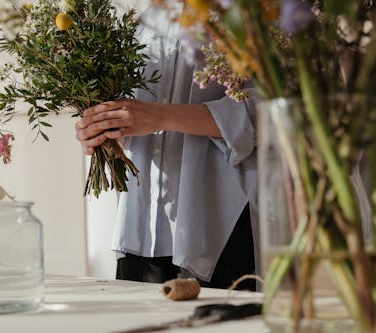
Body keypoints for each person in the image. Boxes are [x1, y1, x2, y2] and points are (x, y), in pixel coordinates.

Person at [75, 3, 259, 290]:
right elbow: (132, 110)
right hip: (140, 224)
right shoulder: (136, 15)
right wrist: (103, 129)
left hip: (223, 219)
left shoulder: (252, 11)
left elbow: (272, 111)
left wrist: (161, 116)